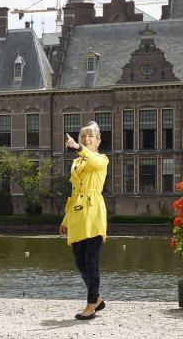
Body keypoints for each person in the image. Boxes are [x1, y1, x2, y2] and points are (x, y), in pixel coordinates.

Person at [58, 121, 109, 320]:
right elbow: (73, 193)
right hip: (77, 214)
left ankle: (90, 305)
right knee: (80, 261)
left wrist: (78, 148)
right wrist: (65, 220)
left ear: (98, 141)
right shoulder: (76, 163)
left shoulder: (102, 159)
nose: (87, 139)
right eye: (83, 137)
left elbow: (94, 161)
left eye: (91, 136)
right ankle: (97, 298)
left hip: (94, 211)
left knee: (92, 261)